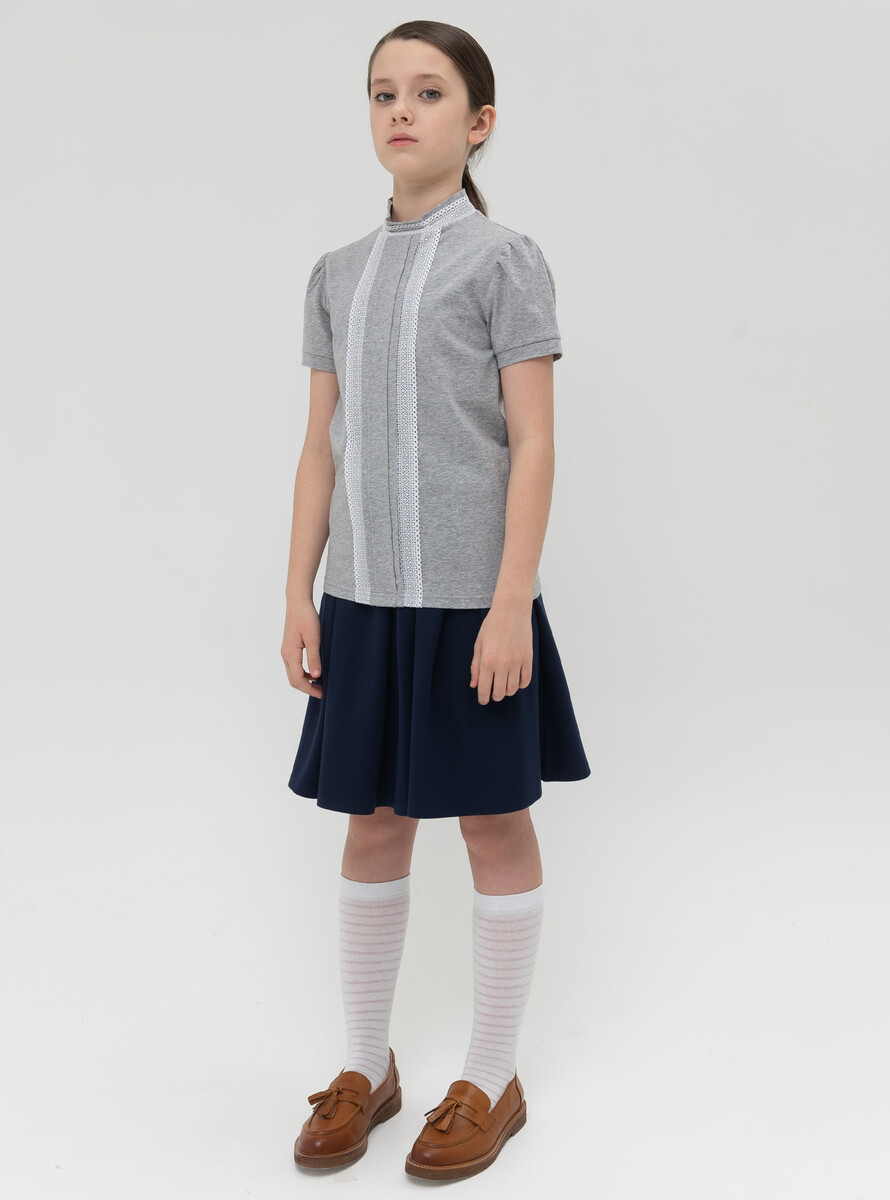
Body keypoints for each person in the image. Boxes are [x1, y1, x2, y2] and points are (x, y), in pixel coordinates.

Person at [282, 19, 590, 1181]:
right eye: (382, 93)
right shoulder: (334, 274)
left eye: (427, 92)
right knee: (372, 823)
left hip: (472, 605)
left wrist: (511, 604)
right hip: (363, 602)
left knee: (493, 823)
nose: (400, 111)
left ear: (479, 122)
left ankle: (492, 1076)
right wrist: (300, 594)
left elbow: (534, 441)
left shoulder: (505, 261)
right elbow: (320, 448)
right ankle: (367, 1067)